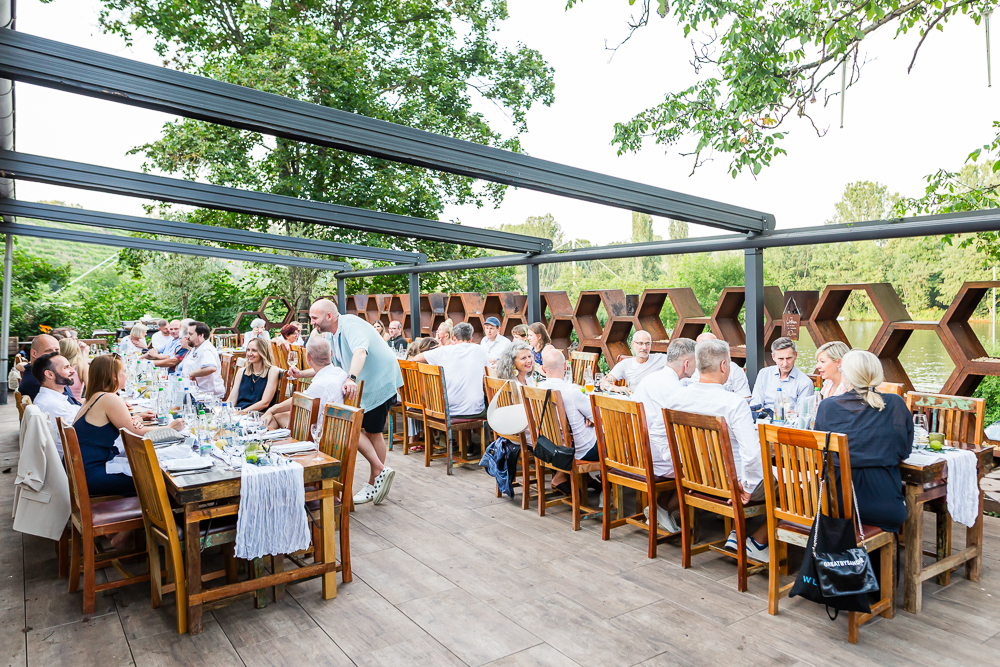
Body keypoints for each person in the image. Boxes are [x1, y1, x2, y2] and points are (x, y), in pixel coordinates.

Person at [290, 299, 403, 506]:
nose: (312, 322)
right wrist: (302, 374)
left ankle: (374, 481)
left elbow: (361, 351)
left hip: (379, 381)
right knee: (359, 429)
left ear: (329, 316)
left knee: (372, 432)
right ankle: (378, 473)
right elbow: (331, 366)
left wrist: (351, 378)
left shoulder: (350, 324)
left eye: (314, 318)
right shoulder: (332, 335)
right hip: (362, 387)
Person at [662, 339, 767, 560]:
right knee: (796, 484)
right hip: (732, 486)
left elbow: (658, 432)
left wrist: (680, 466)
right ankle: (758, 542)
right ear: (723, 366)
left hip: (695, 480)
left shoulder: (675, 398)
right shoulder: (733, 403)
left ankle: (738, 534)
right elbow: (752, 453)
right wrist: (747, 486)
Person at [814, 350, 912, 533]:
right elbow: (903, 452)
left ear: (846, 375)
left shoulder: (827, 407)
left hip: (838, 504)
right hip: (884, 505)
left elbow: (821, 453)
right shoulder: (895, 404)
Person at [73, 354, 184, 498]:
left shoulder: (94, 396)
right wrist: (170, 428)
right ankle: (164, 518)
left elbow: (119, 424)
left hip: (84, 470)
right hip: (92, 474)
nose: (126, 375)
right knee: (162, 480)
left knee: (152, 468)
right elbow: (137, 433)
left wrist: (135, 418)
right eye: (124, 371)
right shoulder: (109, 398)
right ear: (113, 376)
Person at [631, 338, 697, 533]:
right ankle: (663, 508)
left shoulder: (651, 378)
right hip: (654, 457)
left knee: (688, 458)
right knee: (703, 472)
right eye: (696, 363)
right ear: (686, 364)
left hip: (637, 452)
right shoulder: (674, 389)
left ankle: (659, 508)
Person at [536, 347, 598, 494]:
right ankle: (612, 491)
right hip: (579, 450)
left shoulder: (538, 388)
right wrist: (590, 418)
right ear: (565, 366)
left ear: (544, 369)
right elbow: (597, 417)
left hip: (552, 446)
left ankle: (586, 479)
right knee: (614, 441)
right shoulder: (571, 390)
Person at [264, 336, 346, 430]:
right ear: (331, 353)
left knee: (275, 418)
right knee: (280, 415)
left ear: (308, 357)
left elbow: (298, 401)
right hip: (339, 428)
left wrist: (272, 409)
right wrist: (301, 374)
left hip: (318, 432)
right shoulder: (341, 373)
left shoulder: (319, 386)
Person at [412, 322, 489, 419]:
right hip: (475, 410)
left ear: (454, 338)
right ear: (470, 339)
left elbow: (416, 359)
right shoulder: (481, 350)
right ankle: (486, 433)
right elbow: (486, 377)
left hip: (447, 410)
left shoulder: (443, 351)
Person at [30, 352, 80, 452]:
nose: (73, 371)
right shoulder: (52, 405)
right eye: (66, 367)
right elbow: (80, 435)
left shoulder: (53, 398)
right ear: (49, 374)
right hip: (77, 460)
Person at [750, 337, 815, 412]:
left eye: (789, 358)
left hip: (789, 420)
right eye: (781, 359)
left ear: (795, 355)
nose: (785, 364)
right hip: (762, 419)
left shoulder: (805, 382)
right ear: (773, 357)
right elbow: (756, 402)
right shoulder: (764, 374)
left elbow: (803, 413)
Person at [684, 332, 752, 400]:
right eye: (702, 347)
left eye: (712, 346)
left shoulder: (733, 368)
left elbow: (745, 397)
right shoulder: (691, 368)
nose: (707, 350)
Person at [404, 337, 440, 452]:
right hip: (427, 404)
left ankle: (413, 440)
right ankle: (439, 439)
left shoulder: (413, 363)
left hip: (412, 401)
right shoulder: (430, 366)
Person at [227, 337, 282, 412]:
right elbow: (231, 400)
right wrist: (225, 411)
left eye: (254, 350)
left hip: (258, 416)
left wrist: (241, 413)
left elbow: (265, 403)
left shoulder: (272, 370)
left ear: (263, 352)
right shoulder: (241, 371)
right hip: (239, 414)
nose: (249, 353)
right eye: (248, 350)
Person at [601, 330, 667, 392]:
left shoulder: (660, 359)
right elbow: (603, 382)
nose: (644, 347)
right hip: (634, 400)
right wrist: (616, 388)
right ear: (633, 344)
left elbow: (677, 361)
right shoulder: (625, 364)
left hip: (655, 400)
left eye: (647, 343)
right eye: (640, 343)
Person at [18, 335, 74, 402]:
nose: (55, 354)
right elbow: (70, 406)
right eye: (48, 351)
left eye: (57, 350)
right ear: (34, 353)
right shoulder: (41, 380)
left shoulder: (36, 372)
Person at [184, 321, 226, 397]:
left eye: (190, 334)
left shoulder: (206, 349)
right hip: (196, 391)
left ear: (200, 335)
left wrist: (190, 374)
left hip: (207, 395)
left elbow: (211, 368)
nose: (187, 336)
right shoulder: (196, 348)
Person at [59, 337, 89, 402]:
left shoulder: (55, 367)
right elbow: (91, 389)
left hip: (61, 403)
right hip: (77, 403)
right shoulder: (82, 367)